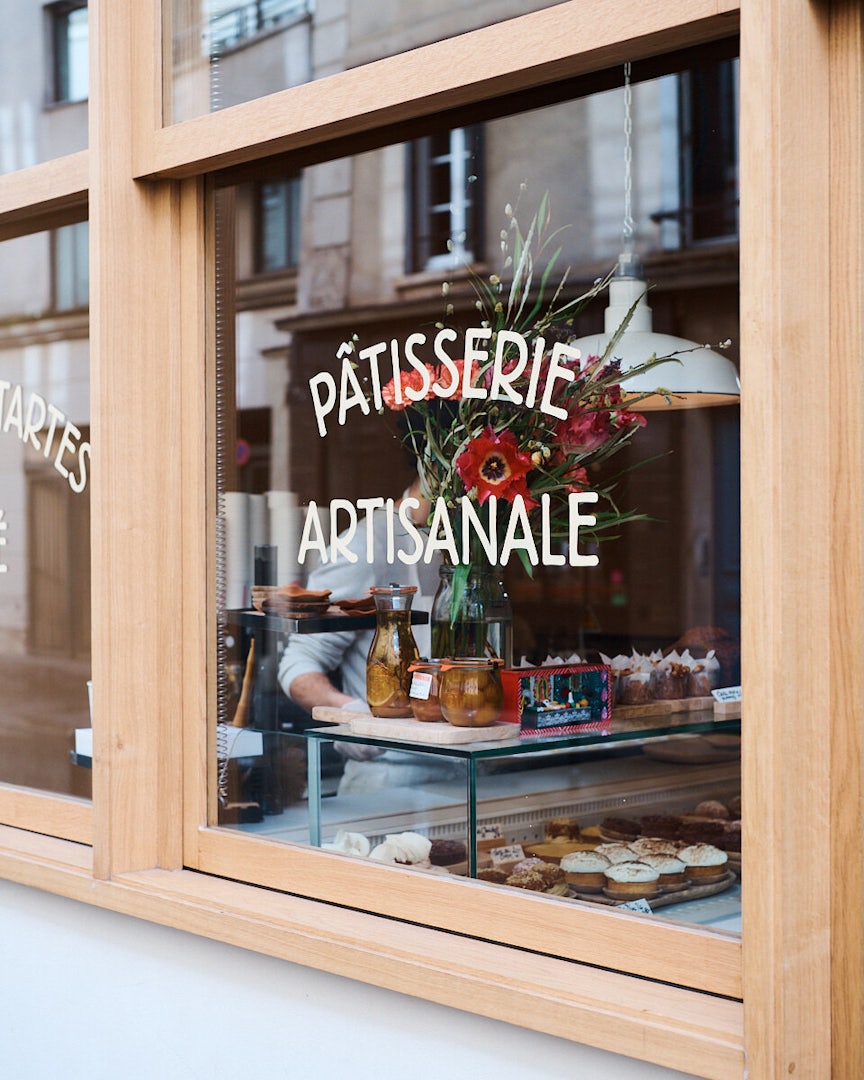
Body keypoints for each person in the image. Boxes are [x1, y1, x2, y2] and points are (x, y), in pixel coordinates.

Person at [278, 480, 460, 794]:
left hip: (473, 774)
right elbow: (298, 664)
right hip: (391, 782)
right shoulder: (366, 544)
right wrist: (354, 714)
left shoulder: (462, 541)